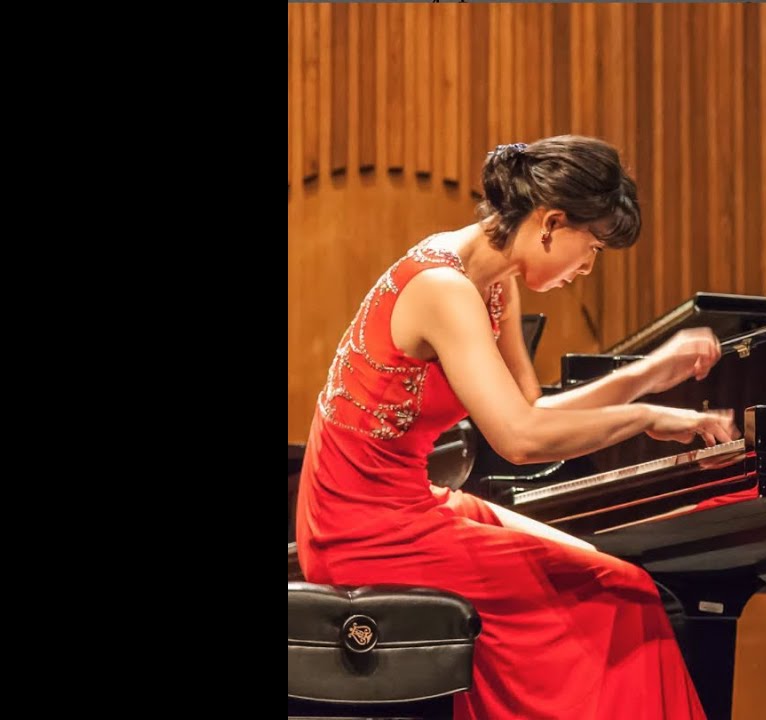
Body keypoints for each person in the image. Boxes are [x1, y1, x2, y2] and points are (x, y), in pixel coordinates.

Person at [295, 135, 739, 720]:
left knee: (601, 567)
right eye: (592, 248)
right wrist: (645, 417)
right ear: (551, 223)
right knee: (622, 593)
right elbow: (520, 440)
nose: (586, 268)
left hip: (408, 504)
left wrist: (650, 374)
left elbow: (531, 408)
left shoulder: (492, 279)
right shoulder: (444, 289)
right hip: (361, 529)